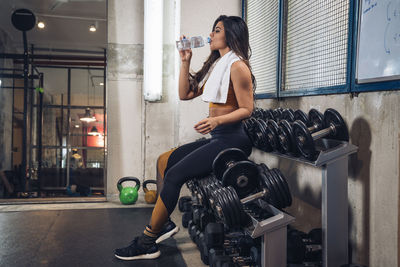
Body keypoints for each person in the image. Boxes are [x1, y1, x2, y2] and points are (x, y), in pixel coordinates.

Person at [114, 15, 255, 261]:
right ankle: (164, 223)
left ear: (231, 35)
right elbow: (185, 93)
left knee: (174, 175)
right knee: (163, 160)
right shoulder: (216, 66)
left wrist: (216, 120)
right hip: (218, 135)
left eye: (217, 30)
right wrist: (185, 62)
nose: (211, 35)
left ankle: (148, 241)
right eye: (212, 30)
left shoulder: (237, 66)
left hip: (232, 139)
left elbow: (247, 109)